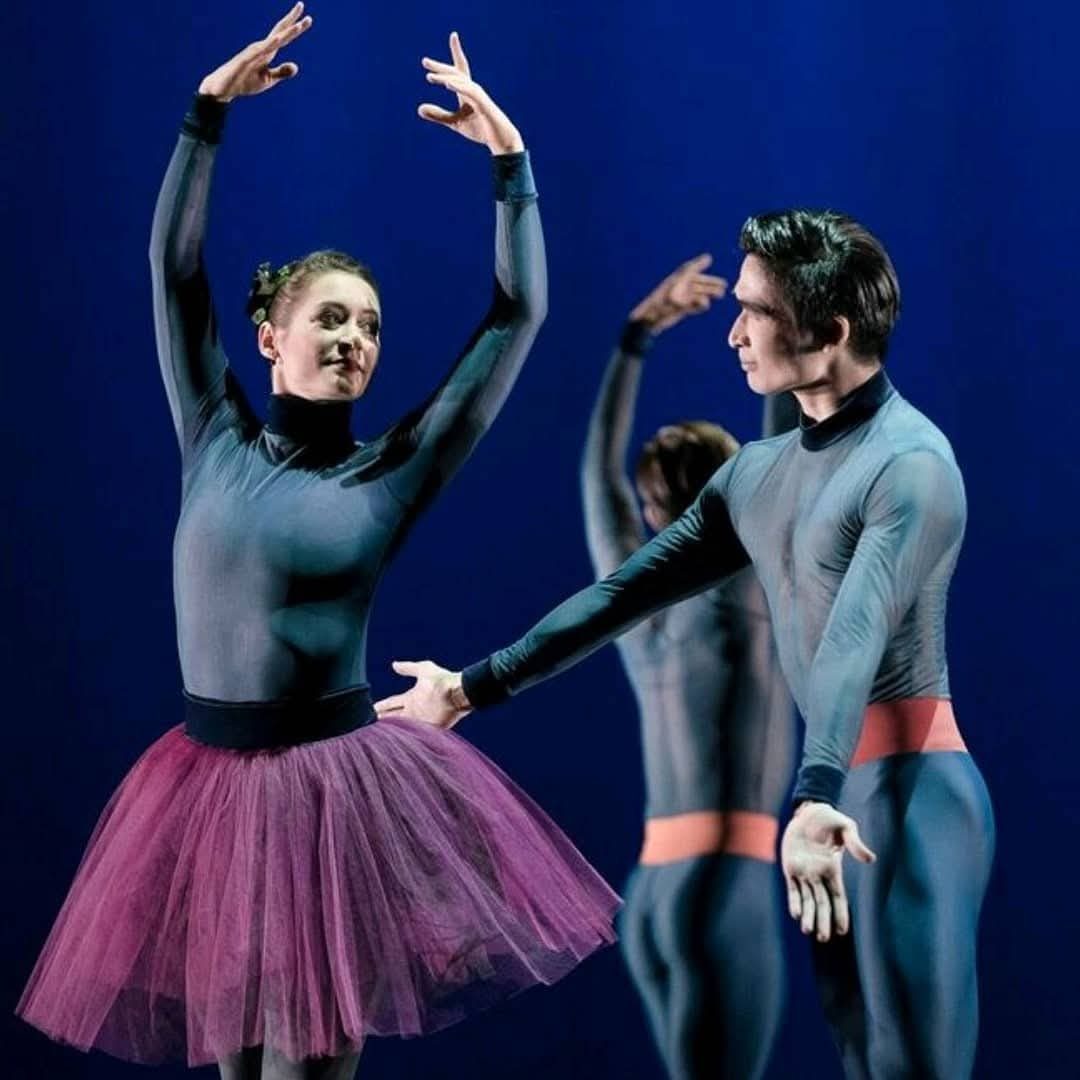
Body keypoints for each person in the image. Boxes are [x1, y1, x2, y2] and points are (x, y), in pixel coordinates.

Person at [16, 8, 619, 1078]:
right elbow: (172, 268)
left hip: (326, 803)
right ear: (270, 338)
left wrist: (512, 167)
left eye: (371, 325)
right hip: (207, 795)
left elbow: (516, 316)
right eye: (333, 318)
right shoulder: (212, 432)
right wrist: (207, 115)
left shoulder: (394, 470)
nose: (354, 338)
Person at [378, 212, 996, 1079]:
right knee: (860, 1058)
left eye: (754, 313)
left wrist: (815, 792)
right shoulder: (756, 475)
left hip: (908, 795)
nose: (733, 334)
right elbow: (621, 594)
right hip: (829, 802)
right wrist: (470, 687)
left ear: (830, 333)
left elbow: (855, 632)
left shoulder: (912, 466)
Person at [581, 256, 795, 1080]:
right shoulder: (742, 574)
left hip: (652, 891)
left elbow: (598, 483)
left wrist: (634, 339)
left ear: (653, 509)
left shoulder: (634, 602)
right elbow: (785, 434)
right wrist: (774, 317)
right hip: (721, 886)